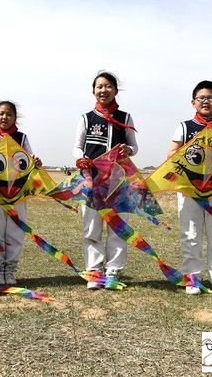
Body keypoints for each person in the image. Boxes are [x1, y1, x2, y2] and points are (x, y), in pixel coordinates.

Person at [167, 80, 212, 299]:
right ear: (193, 103)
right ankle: (192, 278)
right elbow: (171, 154)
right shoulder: (184, 127)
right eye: (201, 98)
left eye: (210, 98)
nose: (205, 101)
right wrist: (190, 149)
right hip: (189, 189)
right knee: (190, 234)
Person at [72, 71, 138, 290]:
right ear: (93, 91)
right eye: (99, 86)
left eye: (108, 86)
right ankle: (94, 271)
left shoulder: (125, 118)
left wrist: (128, 149)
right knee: (91, 227)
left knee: (118, 227)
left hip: (118, 183)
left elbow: (134, 146)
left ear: (116, 90)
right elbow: (77, 146)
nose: (103, 90)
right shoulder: (86, 118)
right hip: (91, 181)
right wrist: (80, 158)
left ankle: (113, 271)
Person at [0, 101, 42, 285]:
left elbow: (29, 161)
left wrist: (36, 162)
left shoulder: (22, 138)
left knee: (15, 231)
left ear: (15, 118)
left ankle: (10, 269)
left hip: (18, 193)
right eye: (1, 114)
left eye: (9, 114)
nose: (4, 117)